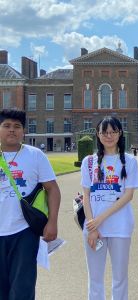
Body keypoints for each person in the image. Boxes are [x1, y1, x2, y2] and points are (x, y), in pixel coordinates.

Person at [0, 108, 61, 300]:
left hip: (24, 231)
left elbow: (52, 189)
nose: (12, 130)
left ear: (24, 131)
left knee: (23, 288)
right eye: (6, 126)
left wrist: (52, 222)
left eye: (17, 126)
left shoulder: (35, 155)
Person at [81, 116, 138, 300]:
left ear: (119, 133)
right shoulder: (89, 162)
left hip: (120, 227)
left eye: (113, 131)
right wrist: (92, 226)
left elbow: (128, 196)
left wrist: (100, 219)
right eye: (104, 132)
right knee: (95, 278)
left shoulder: (129, 161)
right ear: (98, 135)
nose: (109, 136)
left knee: (120, 277)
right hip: (93, 229)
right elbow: (86, 196)